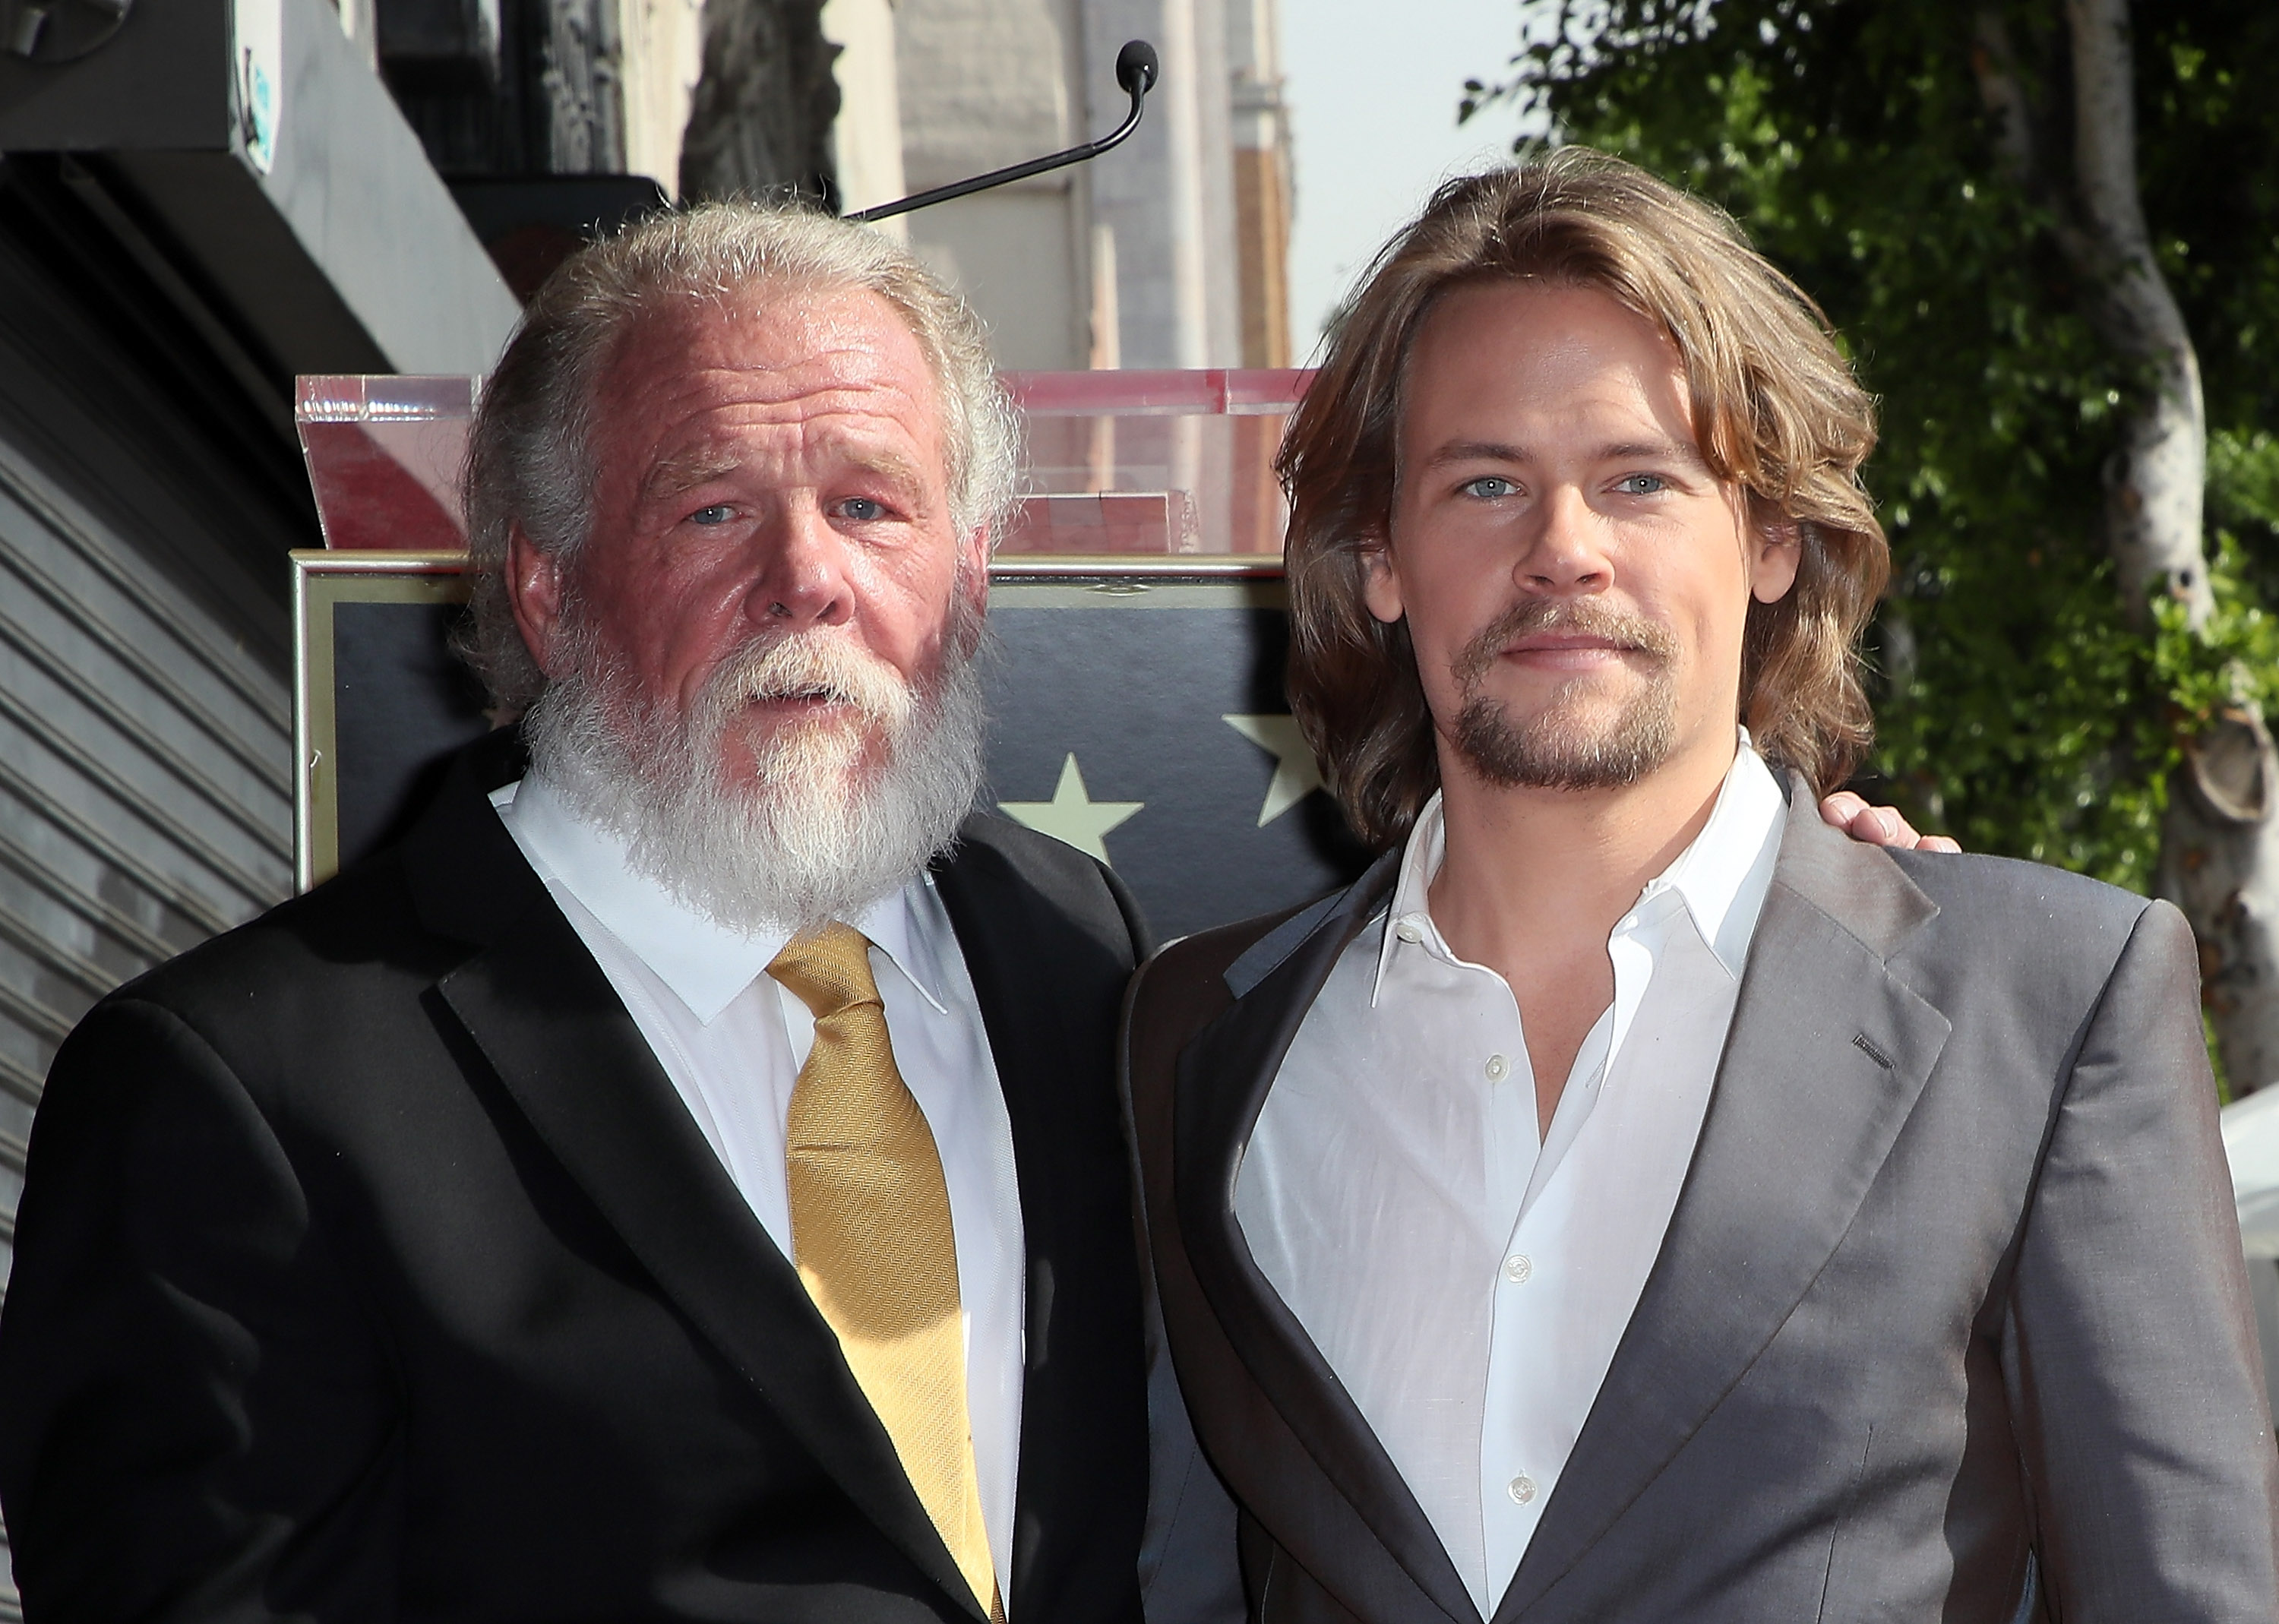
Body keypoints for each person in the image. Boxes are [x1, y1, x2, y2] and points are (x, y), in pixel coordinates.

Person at [1123, 150, 2279, 1623]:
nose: (1566, 551)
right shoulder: (1200, 1040)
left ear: (1774, 537)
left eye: (1639, 480)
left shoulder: (2045, 1003)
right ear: (1379, 556)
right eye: (1486, 481)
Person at [0, 204, 1165, 1623]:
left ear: (969, 575)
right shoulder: (236, 1095)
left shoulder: (1079, 955)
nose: (808, 577)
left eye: (871, 504)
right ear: (547, 593)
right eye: (712, 509)